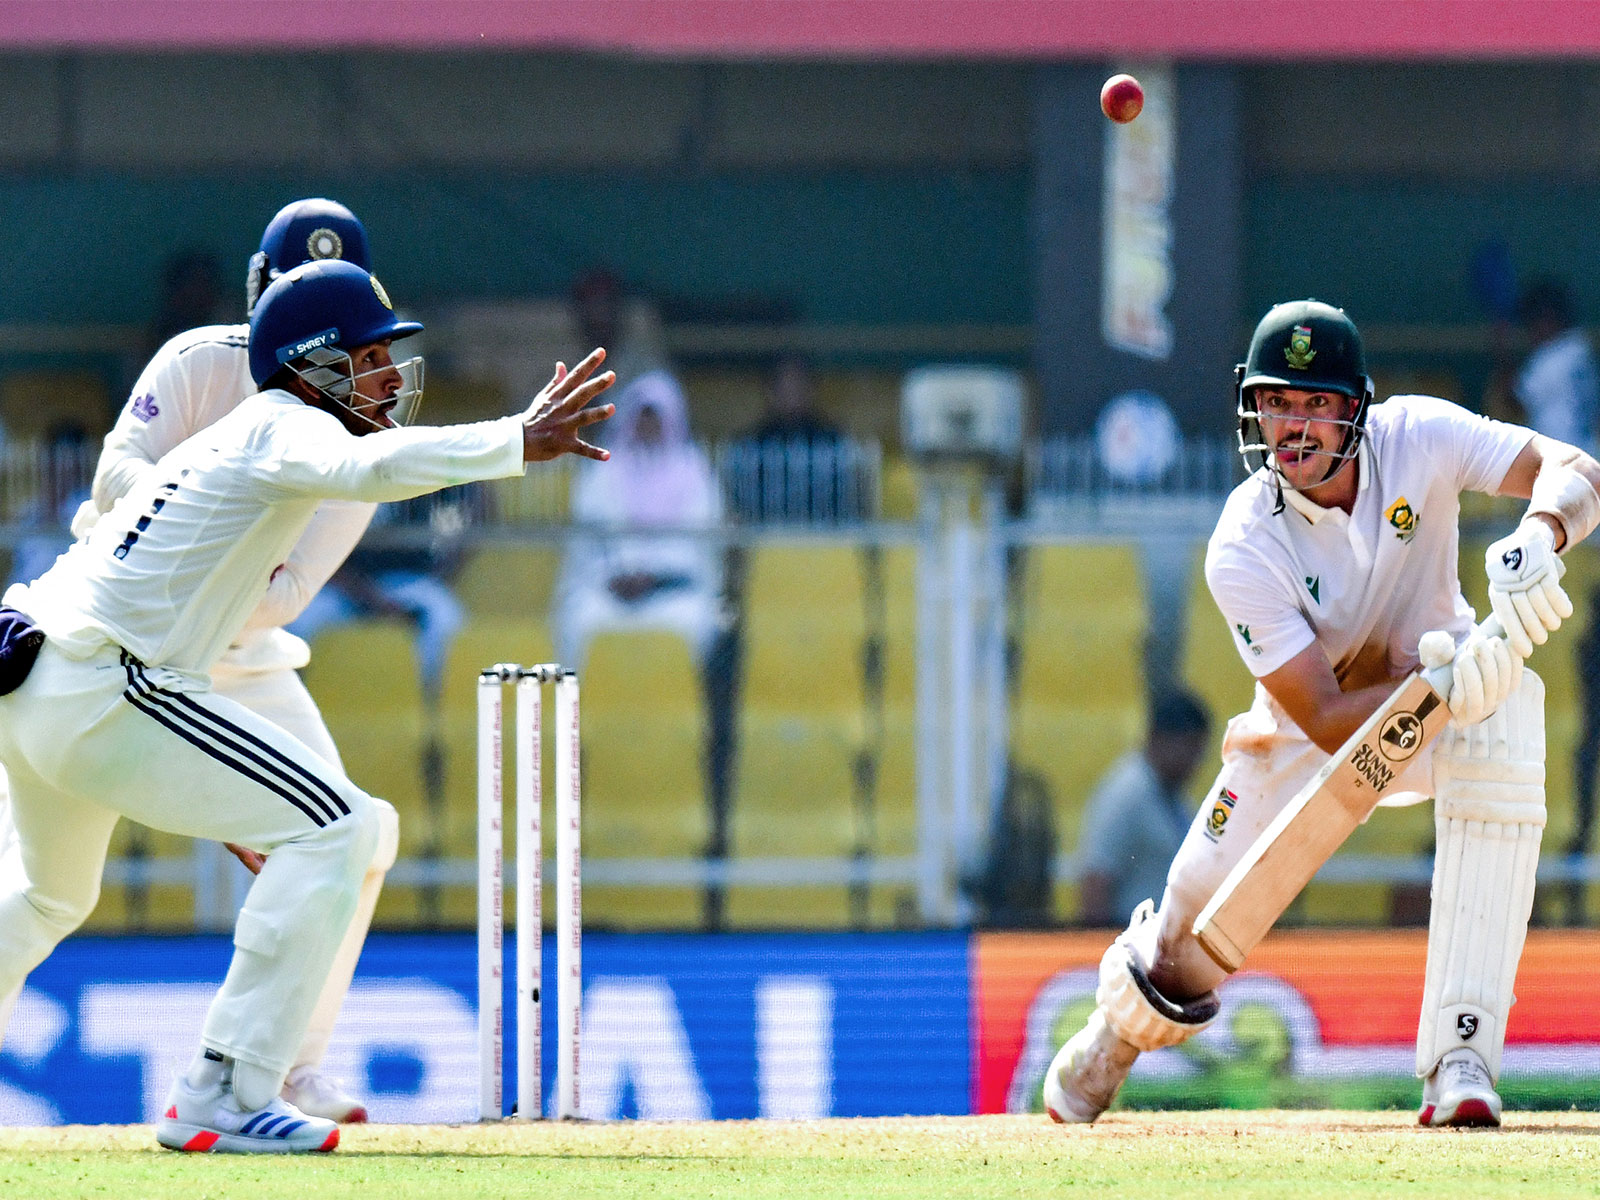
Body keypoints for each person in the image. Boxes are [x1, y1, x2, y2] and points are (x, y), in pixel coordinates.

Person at [0, 258, 612, 1153]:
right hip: (103, 683)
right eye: (368, 356)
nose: (388, 376)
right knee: (341, 827)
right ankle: (222, 1090)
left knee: (47, 897)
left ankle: (233, 1085)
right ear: (313, 361)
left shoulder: (253, 433)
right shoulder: (281, 425)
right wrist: (516, 438)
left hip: (37, 673)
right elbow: (373, 465)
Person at [1043, 299, 1600, 1130]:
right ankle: (1112, 1042)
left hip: (1449, 698)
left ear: (1354, 407)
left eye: (1313, 404)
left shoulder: (1420, 436)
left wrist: (1539, 537)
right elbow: (1333, 719)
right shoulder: (1243, 541)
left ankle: (1462, 1058)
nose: (1292, 427)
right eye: (1276, 403)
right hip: (1303, 732)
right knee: (1184, 937)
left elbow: (1577, 467)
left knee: (1509, 718)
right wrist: (1442, 687)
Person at [65, 198, 392, 1123]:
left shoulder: (360, 428)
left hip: (240, 657)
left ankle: (286, 1067)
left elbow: (279, 595)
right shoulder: (199, 361)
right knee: (44, 889)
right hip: (115, 644)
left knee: (361, 836)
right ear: (262, 296)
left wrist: (195, 530)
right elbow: (109, 478)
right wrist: (213, 497)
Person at [553, 369, 726, 669]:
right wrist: (622, 573)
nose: (647, 425)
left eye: (654, 416)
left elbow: (700, 543)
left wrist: (653, 575)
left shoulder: (694, 471)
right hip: (610, 592)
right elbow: (589, 539)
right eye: (641, 416)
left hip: (674, 592)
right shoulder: (603, 469)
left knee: (694, 622)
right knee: (580, 620)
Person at [1076, 690, 1211, 928]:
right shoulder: (1126, 794)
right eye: (1189, 748)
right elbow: (1095, 882)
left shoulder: (1175, 798)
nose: (1195, 761)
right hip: (1130, 949)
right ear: (1159, 739)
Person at [726, 355, 861, 524]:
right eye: (784, 387)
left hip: (825, 542)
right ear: (769, 391)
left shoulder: (835, 442)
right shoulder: (749, 446)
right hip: (764, 540)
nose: (792, 394)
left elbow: (848, 505)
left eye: (799, 386)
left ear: (812, 390)